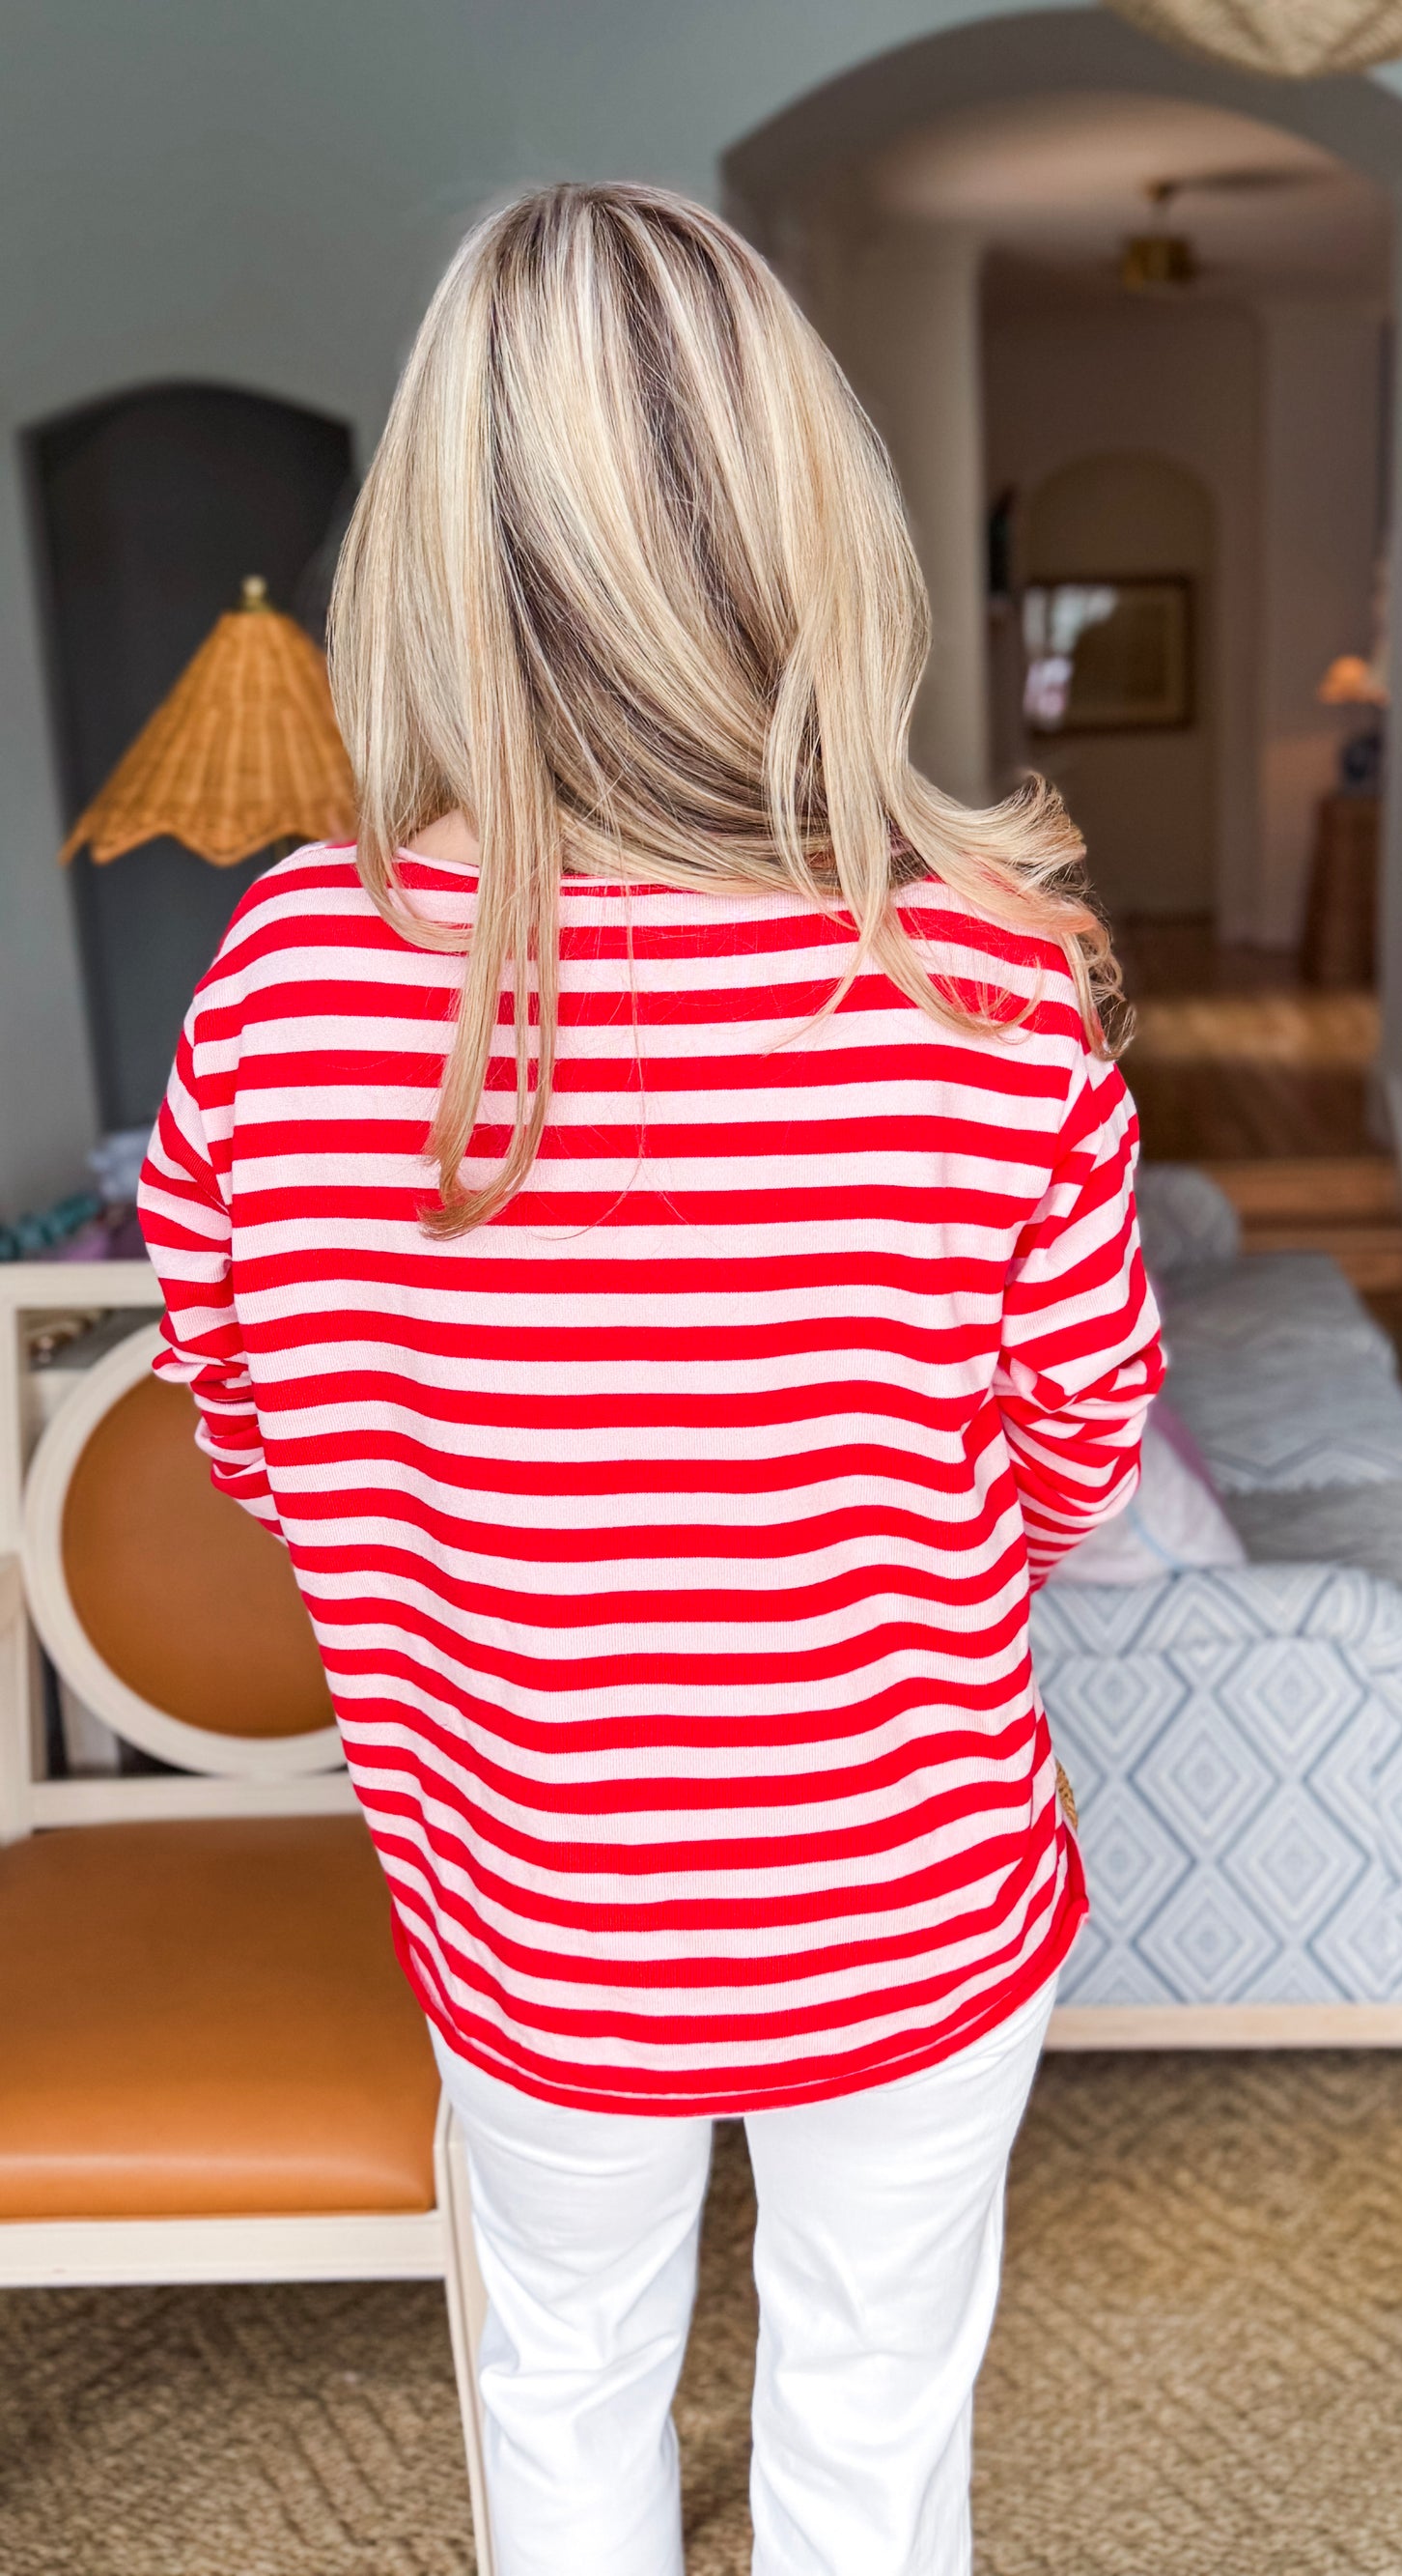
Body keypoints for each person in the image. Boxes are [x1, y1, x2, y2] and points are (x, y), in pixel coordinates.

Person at [137, 184, 1162, 2576]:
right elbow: (1078, 1455)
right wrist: (820, 1535)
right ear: (813, 521)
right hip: (902, 1889)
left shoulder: (284, 982)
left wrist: (499, 1526)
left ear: (428, 544)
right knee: (870, 2405)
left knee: (559, 2371)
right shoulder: (983, 992)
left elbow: (254, 1435)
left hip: (522, 1894)